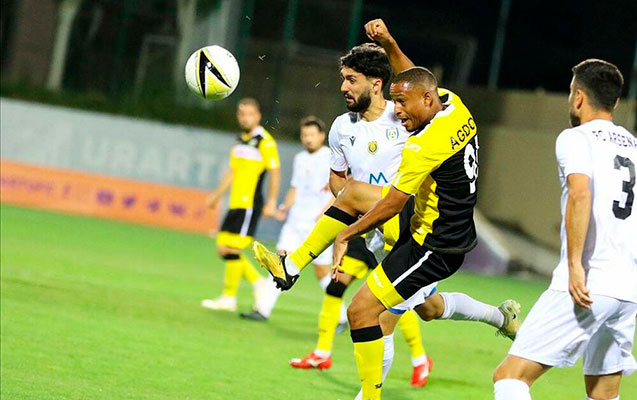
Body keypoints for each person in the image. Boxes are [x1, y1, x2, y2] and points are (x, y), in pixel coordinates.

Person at [253, 22, 520, 397]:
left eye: (403, 104)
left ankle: (368, 392)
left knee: (371, 314)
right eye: (396, 102)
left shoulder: (423, 144)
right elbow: (414, 79)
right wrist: (391, 43)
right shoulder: (452, 106)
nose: (398, 111)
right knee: (426, 308)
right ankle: (499, 317)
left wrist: (345, 235)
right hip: (423, 226)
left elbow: (394, 201)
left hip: (431, 240)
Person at [254, 45, 432, 386]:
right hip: (366, 231)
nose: (342, 87)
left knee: (394, 310)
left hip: (406, 223)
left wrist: (389, 43)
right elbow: (337, 179)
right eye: (342, 79)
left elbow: (423, 86)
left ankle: (292, 266)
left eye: (351, 80)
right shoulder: (341, 127)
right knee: (421, 307)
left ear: (376, 84)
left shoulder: (403, 118)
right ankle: (498, 317)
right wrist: (352, 212)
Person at [493, 59, 636, 400]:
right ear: (615, 101)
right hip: (628, 288)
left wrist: (575, 266)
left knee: (510, 376)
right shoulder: (634, 145)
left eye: (572, 92)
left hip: (588, 283)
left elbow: (580, 193)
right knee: (603, 392)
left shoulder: (576, 138)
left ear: (579, 97)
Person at [201, 98, 280, 313]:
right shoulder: (239, 141)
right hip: (235, 203)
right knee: (223, 248)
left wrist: (272, 201)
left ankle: (229, 297)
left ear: (258, 116)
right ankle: (257, 281)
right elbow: (232, 171)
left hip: (249, 204)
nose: (245, 118)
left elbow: (275, 172)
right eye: (242, 114)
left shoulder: (265, 141)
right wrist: (217, 196)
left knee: (233, 249)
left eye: (250, 114)